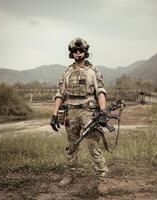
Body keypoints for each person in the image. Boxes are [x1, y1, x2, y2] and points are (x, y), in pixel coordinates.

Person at [50, 37, 109, 187]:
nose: (78, 53)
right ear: (71, 53)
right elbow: (60, 94)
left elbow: (101, 92)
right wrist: (54, 114)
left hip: (88, 113)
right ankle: (70, 175)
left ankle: (102, 179)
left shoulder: (93, 71)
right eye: (75, 51)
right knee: (72, 146)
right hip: (71, 114)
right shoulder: (67, 72)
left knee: (93, 146)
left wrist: (102, 111)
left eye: (81, 50)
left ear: (85, 52)